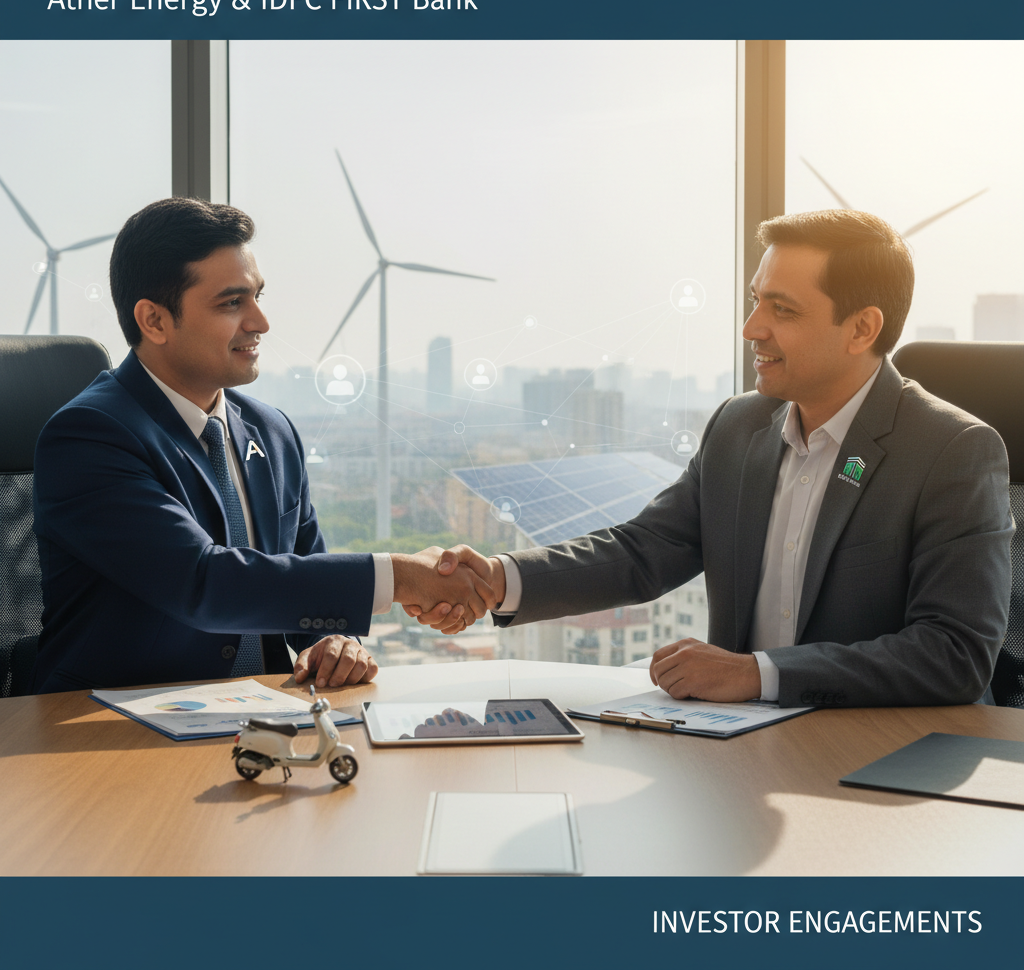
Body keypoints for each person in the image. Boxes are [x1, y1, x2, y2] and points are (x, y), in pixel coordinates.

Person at [410, 210, 1014, 707]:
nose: (752, 328)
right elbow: (645, 550)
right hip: (736, 746)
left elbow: (954, 653)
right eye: (756, 302)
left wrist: (759, 673)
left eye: (783, 310)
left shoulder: (953, 452)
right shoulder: (738, 426)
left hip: (881, 758)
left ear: (862, 329)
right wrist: (497, 580)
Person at [31, 198, 493, 693]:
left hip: (260, 720)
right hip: (103, 733)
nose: (260, 322)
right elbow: (203, 584)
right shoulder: (89, 435)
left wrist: (334, 641)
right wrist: (399, 577)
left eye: (257, 296)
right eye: (232, 303)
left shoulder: (272, 432)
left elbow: (300, 584)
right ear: (154, 321)